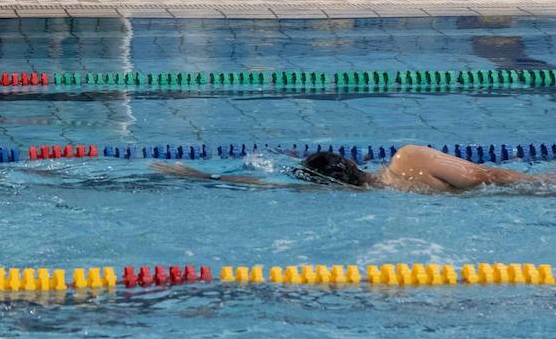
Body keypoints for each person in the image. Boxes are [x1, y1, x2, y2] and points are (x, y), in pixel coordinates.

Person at [152, 144, 556, 193]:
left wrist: (200, 176)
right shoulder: (406, 161)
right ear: (352, 162)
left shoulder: (373, 193)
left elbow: (260, 184)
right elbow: (487, 175)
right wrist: (541, 182)